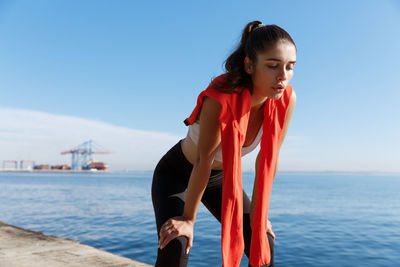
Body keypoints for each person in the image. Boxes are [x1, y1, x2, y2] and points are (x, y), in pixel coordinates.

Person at [151, 20, 297, 267]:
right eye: (273, 66)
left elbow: (267, 161)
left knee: (263, 243)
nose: (283, 76)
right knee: (176, 243)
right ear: (250, 65)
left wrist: (258, 216)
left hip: (220, 178)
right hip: (178, 173)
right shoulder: (221, 97)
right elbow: (202, 160)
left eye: (290, 67)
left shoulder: (285, 100)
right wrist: (188, 219)